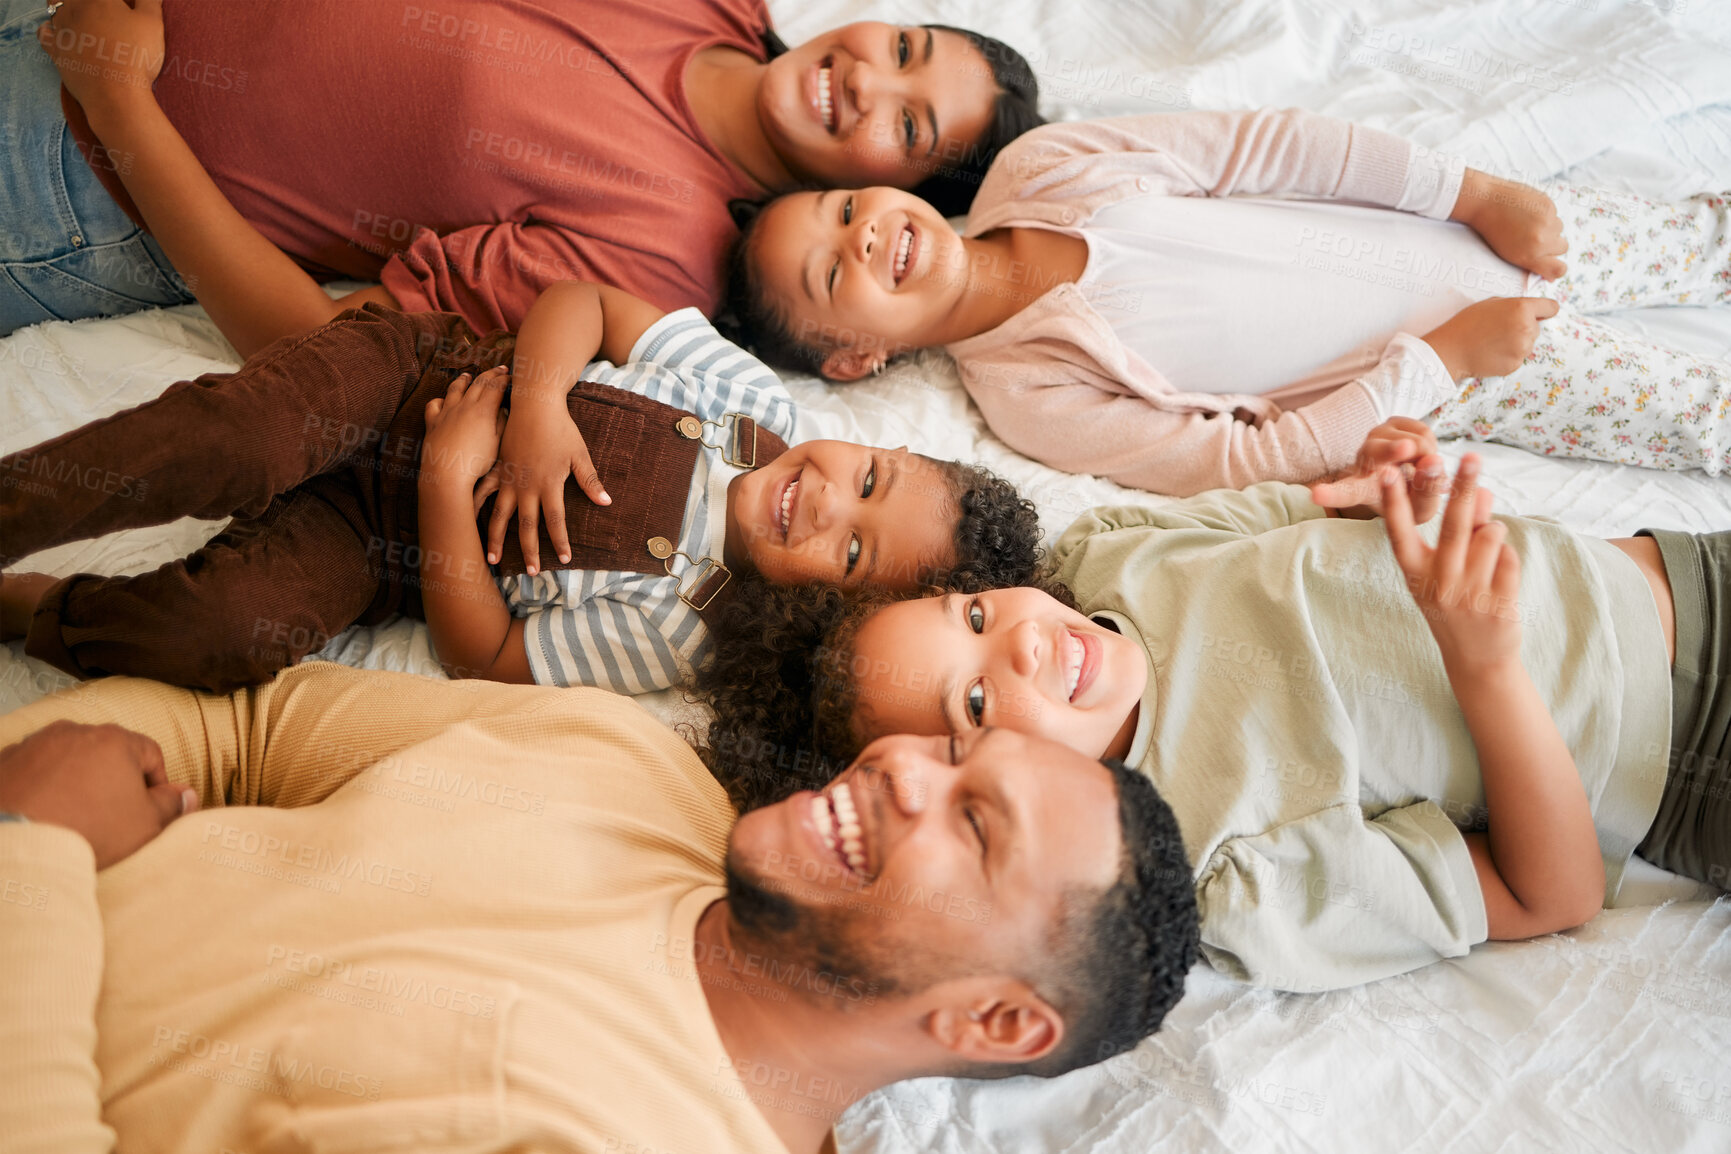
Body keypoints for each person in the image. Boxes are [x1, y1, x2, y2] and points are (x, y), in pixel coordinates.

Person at [0, 662, 1199, 1154]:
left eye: (974, 825)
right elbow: (246, 731)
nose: (902, 767)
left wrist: (39, 849)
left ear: (996, 1022)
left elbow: (52, 804)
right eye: (951, 745)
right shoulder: (622, 755)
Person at [703, 420, 1731, 990]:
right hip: (1693, 748)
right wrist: (1486, 663)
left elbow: (1312, 510)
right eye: (976, 700)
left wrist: (1383, 481)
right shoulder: (1218, 855)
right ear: (960, 782)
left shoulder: (1107, 552)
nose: (1016, 640)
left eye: (970, 610)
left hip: (1681, 568)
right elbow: (1550, 895)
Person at [0, 284, 1040, 694]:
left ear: (823, 606)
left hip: (374, 544)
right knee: (237, 437)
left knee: (225, 632)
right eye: (870, 477)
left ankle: (45, 612)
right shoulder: (748, 398)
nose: (826, 498)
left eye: (851, 548)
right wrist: (538, 409)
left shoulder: (687, 628)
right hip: (411, 378)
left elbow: (486, 655)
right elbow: (584, 302)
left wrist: (452, 485)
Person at [725, 106, 1731, 491]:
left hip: (1463, 226)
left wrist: (1476, 193)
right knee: (1707, 422)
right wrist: (1447, 362)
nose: (862, 233)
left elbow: (1277, 145)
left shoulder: (1046, 168)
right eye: (830, 271)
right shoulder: (1030, 396)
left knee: (1708, 238)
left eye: (845, 205)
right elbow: (1246, 461)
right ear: (856, 360)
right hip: (1485, 361)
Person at [1, 0, 1041, 355]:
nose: (866, 83)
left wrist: (119, 103)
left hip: (70, 165)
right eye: (904, 49)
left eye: (907, 130)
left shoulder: (661, 259)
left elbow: (314, 349)